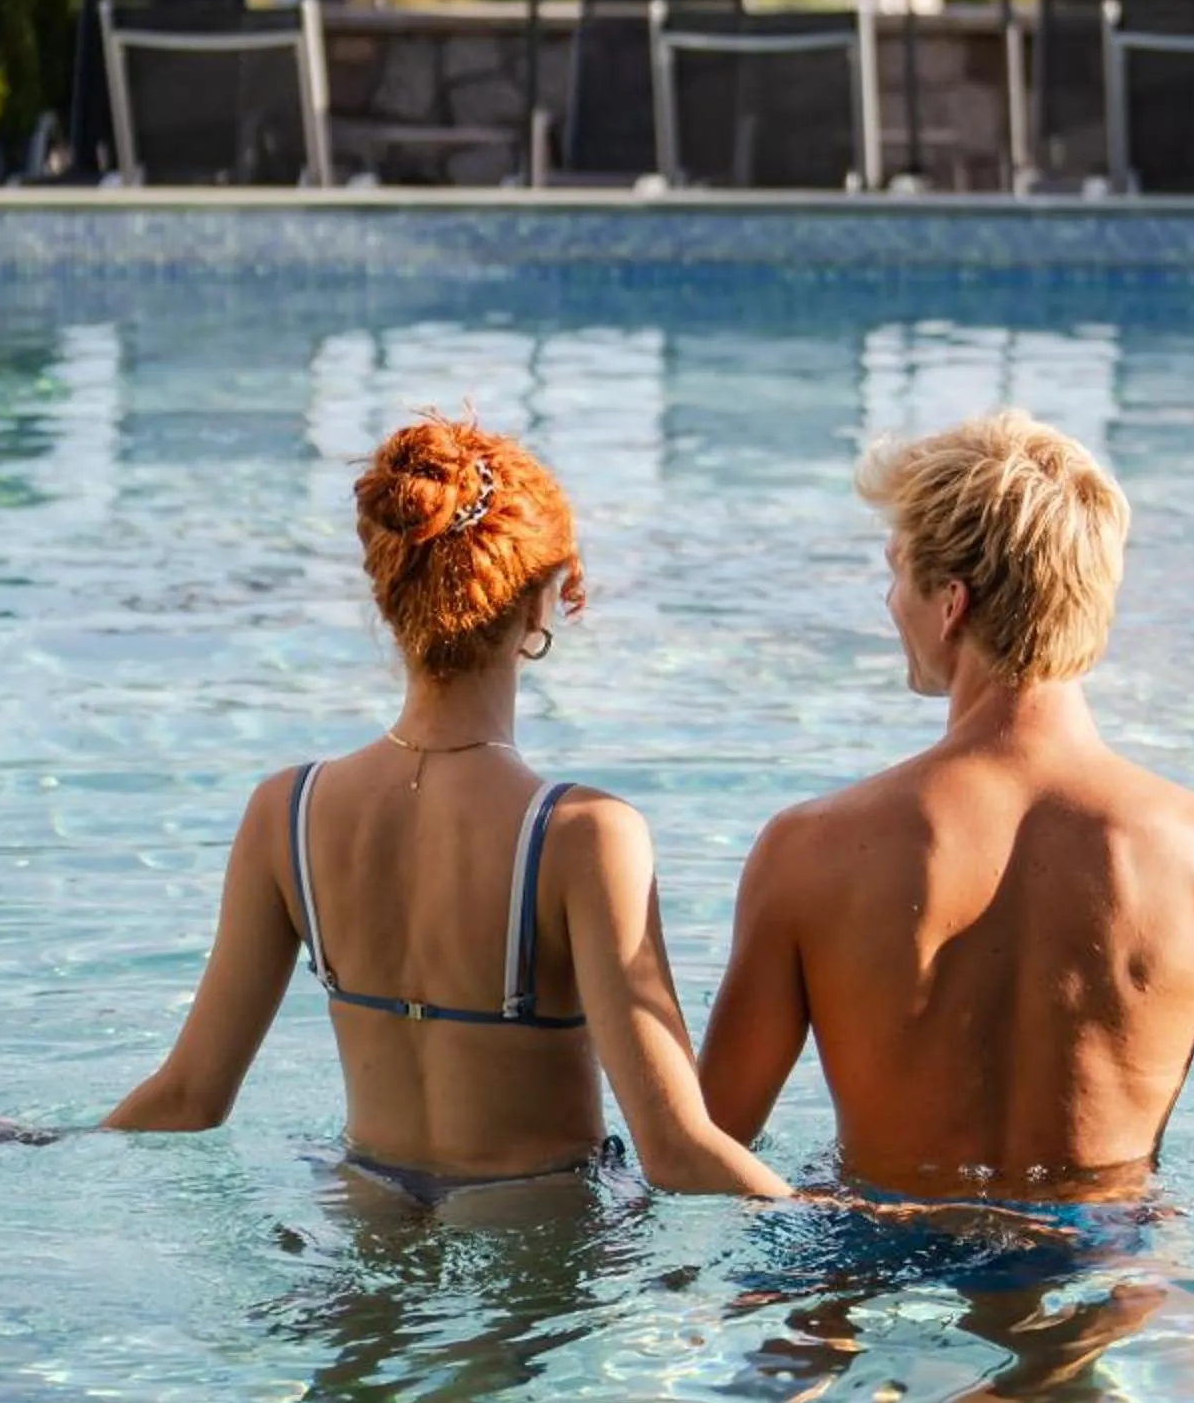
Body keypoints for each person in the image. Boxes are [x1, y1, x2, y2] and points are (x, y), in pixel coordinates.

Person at [106, 414, 791, 1206]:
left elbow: (189, 1097)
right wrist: (859, 1225)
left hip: (359, 1207)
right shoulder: (584, 835)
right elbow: (674, 1150)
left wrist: (46, 1141)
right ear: (542, 599)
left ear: (385, 590)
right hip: (532, 1233)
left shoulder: (284, 812)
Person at [700, 411, 1194, 1199]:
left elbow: (706, 1143)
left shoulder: (810, 850)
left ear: (951, 603)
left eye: (895, 574)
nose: (890, 603)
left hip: (875, 1246)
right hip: (1100, 1261)